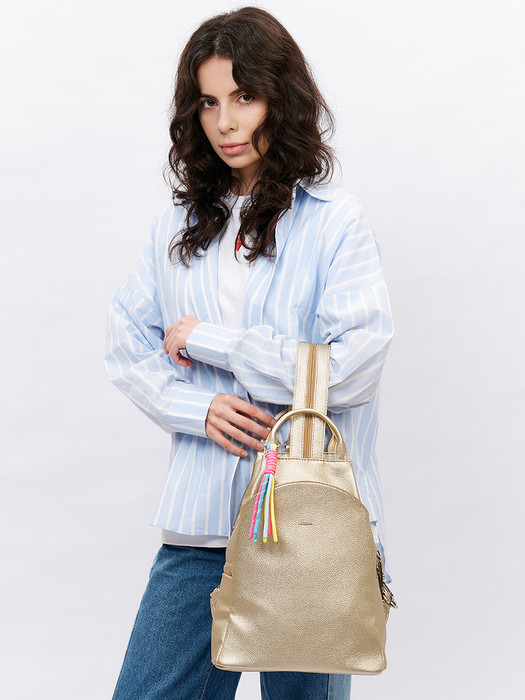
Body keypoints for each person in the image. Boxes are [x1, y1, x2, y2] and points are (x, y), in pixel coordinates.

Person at [104, 6, 394, 699]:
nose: (226, 123)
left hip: (310, 524)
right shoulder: (176, 227)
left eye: (244, 97)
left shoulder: (333, 223)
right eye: (208, 102)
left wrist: (216, 342)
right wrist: (197, 409)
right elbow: (126, 342)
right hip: (202, 525)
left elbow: (353, 366)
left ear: (280, 99)